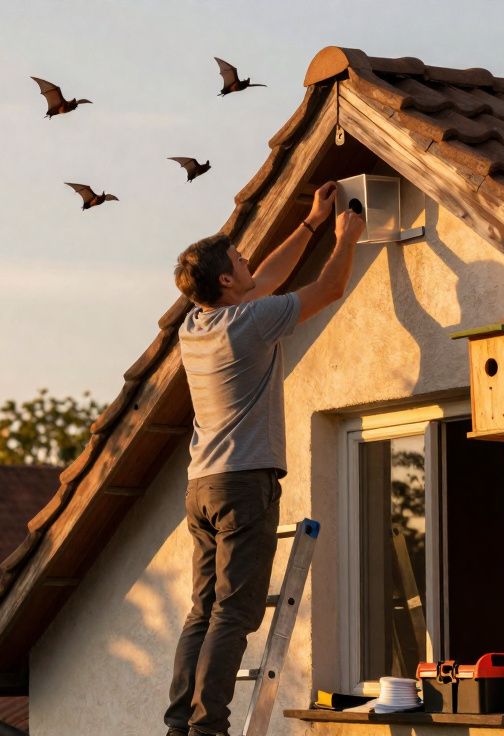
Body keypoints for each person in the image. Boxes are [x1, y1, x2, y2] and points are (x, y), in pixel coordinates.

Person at [164, 181, 364, 736]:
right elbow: (329, 288)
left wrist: (313, 222)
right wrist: (347, 236)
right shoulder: (249, 324)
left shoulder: (195, 326)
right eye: (239, 258)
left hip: (201, 486)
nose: (248, 258)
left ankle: (180, 725)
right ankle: (209, 729)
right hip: (242, 485)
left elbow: (266, 280)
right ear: (227, 279)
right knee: (235, 613)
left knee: (202, 611)